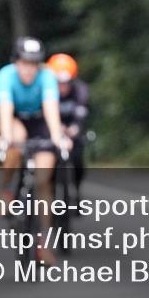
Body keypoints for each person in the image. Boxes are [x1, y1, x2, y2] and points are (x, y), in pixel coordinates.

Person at [0, 36, 71, 264]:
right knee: (15, 140)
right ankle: (6, 189)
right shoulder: (5, 76)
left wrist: (58, 138)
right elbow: (5, 111)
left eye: (34, 63)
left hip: (39, 122)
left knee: (43, 179)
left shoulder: (47, 77)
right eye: (25, 63)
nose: (29, 69)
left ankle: (43, 243)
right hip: (15, 118)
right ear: (16, 62)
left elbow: (51, 110)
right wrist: (5, 138)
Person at [46, 53, 91, 201]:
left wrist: (75, 128)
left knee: (78, 162)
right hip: (52, 131)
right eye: (58, 83)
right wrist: (56, 128)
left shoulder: (80, 90)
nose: (62, 87)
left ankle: (76, 190)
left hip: (73, 131)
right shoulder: (46, 91)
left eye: (66, 82)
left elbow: (81, 113)